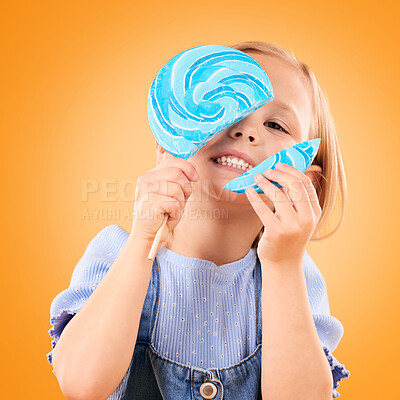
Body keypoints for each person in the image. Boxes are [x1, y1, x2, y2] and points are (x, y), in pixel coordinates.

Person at [46, 41, 350, 399]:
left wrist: (284, 266)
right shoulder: (117, 251)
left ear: (306, 182)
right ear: (168, 142)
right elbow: (81, 384)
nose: (246, 132)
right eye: (228, 109)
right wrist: (144, 240)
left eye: (275, 124)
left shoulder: (296, 275)